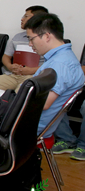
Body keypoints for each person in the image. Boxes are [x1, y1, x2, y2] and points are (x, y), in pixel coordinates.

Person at [25, 14, 85, 153]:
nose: (30, 44)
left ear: (47, 36)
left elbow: (44, 103)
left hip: (27, 126)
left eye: (31, 39)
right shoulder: (62, 57)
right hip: (30, 121)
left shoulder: (59, 65)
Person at [0, 6, 48, 90]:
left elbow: (52, 64)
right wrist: (10, 66)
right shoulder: (17, 37)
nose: (22, 19)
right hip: (13, 75)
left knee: (20, 94)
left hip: (33, 76)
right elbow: (6, 56)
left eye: (26, 16)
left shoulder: (47, 39)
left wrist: (30, 71)